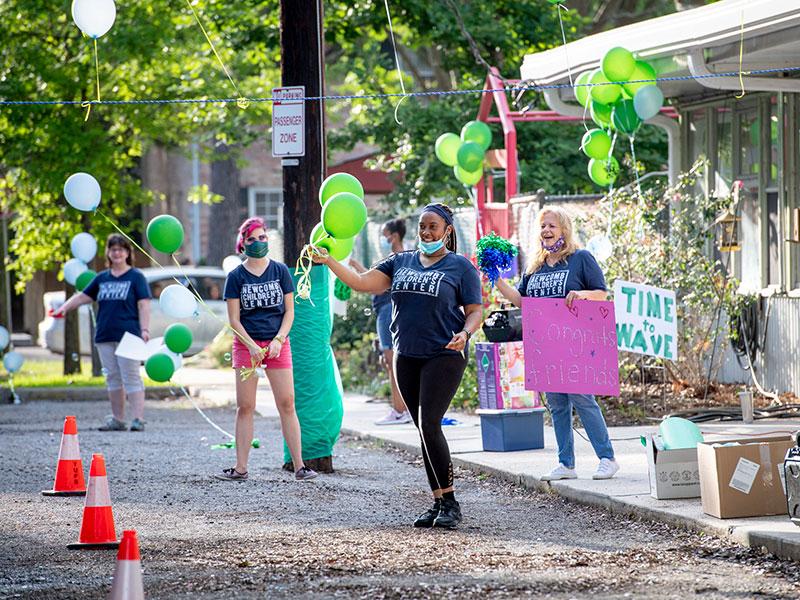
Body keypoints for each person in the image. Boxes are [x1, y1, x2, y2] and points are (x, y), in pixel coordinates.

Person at [313, 203, 482, 529]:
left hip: (444, 353)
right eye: (422, 227)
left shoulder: (460, 267)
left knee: (430, 423)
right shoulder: (400, 261)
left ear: (447, 231)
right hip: (407, 354)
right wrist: (330, 261)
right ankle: (437, 501)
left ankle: (450, 503)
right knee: (421, 427)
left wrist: (465, 332)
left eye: (433, 227)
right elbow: (361, 282)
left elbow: (475, 310)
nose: (426, 233)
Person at [495, 205, 619, 481]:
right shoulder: (535, 267)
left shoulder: (580, 258)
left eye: (552, 225)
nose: (546, 230)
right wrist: (497, 281)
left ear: (564, 229)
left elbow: (601, 293)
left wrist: (581, 294)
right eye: (542, 226)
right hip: (546, 347)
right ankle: (566, 463)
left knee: (582, 399)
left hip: (576, 343)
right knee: (557, 405)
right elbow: (521, 301)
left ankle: (607, 458)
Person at [215, 216, 317, 482]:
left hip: (277, 344)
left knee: (287, 403)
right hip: (246, 344)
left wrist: (278, 340)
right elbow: (234, 319)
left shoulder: (281, 271)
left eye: (262, 237)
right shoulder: (236, 277)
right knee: (245, 406)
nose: (258, 242)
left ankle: (299, 466)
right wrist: (251, 346)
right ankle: (240, 468)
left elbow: (290, 311)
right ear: (243, 243)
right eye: (252, 239)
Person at [54, 234, 151, 432]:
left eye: (121, 249)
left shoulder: (136, 277)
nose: (117, 253)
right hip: (105, 335)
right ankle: (117, 419)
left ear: (127, 253)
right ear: (108, 252)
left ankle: (138, 419)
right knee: (113, 378)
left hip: (129, 336)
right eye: (113, 249)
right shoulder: (102, 278)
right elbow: (82, 297)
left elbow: (144, 305)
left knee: (131, 376)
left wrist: (145, 329)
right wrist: (63, 308)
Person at [348, 218, 412, 426]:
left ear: (393, 236)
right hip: (390, 312)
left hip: (388, 311)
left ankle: (399, 410)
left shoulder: (398, 258)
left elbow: (376, 286)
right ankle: (404, 408)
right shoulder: (404, 257)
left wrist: (355, 269)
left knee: (393, 362)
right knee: (390, 362)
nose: (383, 239)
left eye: (384, 235)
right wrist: (357, 266)